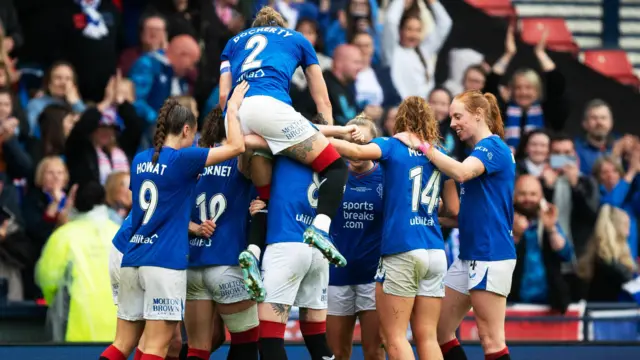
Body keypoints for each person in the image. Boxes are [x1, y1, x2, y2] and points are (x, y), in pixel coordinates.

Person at [99, 81, 248, 360]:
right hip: (164, 263)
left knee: (122, 345)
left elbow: (158, 211)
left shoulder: (140, 160)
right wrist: (234, 107)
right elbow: (237, 146)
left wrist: (192, 226)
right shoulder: (184, 158)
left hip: (132, 259)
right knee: (157, 347)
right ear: (187, 129)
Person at [218, 6, 353, 301]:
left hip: (237, 115)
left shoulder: (234, 42)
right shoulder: (298, 39)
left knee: (263, 195)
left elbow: (221, 98)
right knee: (335, 167)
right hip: (270, 107)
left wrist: (236, 129)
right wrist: (326, 132)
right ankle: (321, 228)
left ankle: (252, 253)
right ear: (281, 24)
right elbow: (322, 99)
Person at [328, 96, 459, 360]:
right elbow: (453, 211)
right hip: (434, 251)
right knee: (428, 337)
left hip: (403, 249)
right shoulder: (439, 153)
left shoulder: (391, 145)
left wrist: (312, 136)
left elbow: (355, 152)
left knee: (395, 338)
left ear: (400, 120)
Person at [394, 90, 516, 360]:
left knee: (491, 339)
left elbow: (461, 173)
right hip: (469, 255)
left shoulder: (491, 147)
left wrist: (422, 146)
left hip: (491, 254)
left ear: (479, 115)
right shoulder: (479, 153)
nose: (452, 124)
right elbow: (461, 216)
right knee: (439, 331)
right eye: (451, 117)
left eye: (458, 116)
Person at [184, 107, 259, 360]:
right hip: (228, 261)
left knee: (198, 348)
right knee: (247, 342)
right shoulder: (241, 156)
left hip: (193, 265)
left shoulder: (193, 160)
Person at [325, 116, 384, 360]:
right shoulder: (331, 173)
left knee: (374, 353)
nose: (356, 148)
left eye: (363, 142)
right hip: (336, 276)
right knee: (337, 354)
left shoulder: (387, 177)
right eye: (350, 141)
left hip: (374, 278)